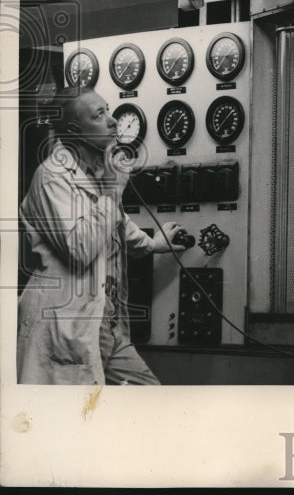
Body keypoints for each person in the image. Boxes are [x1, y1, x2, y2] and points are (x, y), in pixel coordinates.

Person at [17, 86, 186, 385]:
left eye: (108, 110)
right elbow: (79, 249)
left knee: (149, 393)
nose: (113, 120)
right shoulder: (52, 177)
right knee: (74, 410)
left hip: (105, 322)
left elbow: (117, 225)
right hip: (67, 323)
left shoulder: (95, 172)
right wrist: (111, 191)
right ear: (74, 130)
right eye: (99, 115)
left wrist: (154, 244)